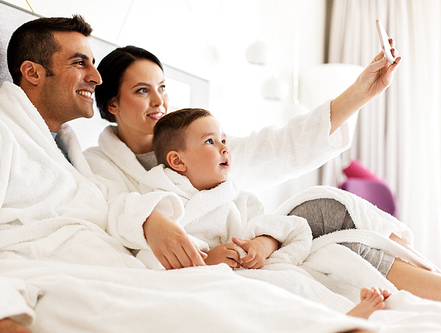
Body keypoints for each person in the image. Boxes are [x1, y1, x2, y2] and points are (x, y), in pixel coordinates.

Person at [0, 14, 384, 333]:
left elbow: (273, 148)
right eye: (81, 63)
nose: (94, 77)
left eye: (163, 88)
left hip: (138, 267)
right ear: (33, 73)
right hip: (86, 273)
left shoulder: (71, 155)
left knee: (240, 282)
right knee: (203, 299)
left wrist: (356, 96)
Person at [85, 44, 441, 301]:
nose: (159, 100)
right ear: (112, 103)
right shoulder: (98, 164)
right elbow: (109, 213)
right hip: (211, 260)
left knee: (328, 204)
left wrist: (359, 93)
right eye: (142, 91)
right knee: (341, 246)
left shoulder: (203, 143)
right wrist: (149, 220)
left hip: (251, 242)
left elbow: (280, 146)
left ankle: (430, 277)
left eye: (162, 88)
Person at [141, 107, 391, 320]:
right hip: (216, 283)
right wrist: (205, 262)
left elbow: (274, 228)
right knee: (258, 299)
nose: (224, 149)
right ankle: (331, 322)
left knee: (292, 281)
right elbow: (152, 259)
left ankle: (336, 316)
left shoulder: (237, 198)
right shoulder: (162, 202)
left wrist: (261, 246)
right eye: (210, 142)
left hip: (248, 272)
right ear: (177, 161)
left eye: (224, 141)